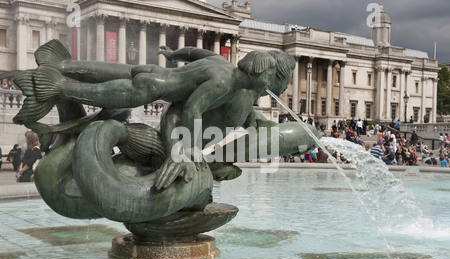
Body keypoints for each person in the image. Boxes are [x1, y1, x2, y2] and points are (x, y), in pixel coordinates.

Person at [15, 40, 323, 190]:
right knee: (114, 92)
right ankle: (60, 86)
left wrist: (176, 54)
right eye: (272, 82)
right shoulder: (224, 83)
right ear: (262, 76)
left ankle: (63, 65)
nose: (272, 90)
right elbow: (192, 108)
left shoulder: (226, 70)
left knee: (122, 74)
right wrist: (182, 149)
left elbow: (196, 54)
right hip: (153, 88)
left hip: (158, 76)